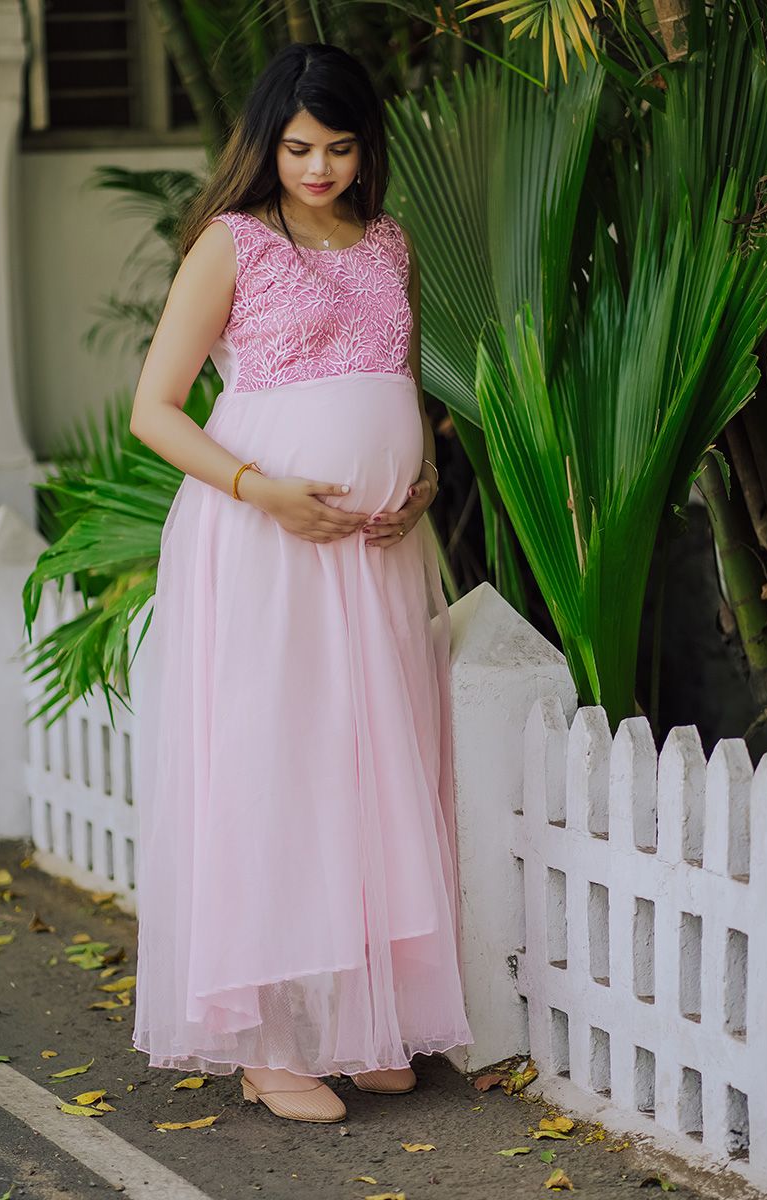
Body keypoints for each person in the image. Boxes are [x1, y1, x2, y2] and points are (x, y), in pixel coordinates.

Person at [128, 41, 474, 1125]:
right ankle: (269, 1044)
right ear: (265, 146)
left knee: (368, 770)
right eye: (297, 147)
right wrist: (259, 488)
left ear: (366, 148)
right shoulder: (233, 245)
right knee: (276, 771)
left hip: (375, 551)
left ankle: (365, 1020)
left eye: (338, 146)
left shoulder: (391, 243)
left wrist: (417, 476)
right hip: (267, 547)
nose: (318, 167)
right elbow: (156, 409)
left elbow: (393, 383)